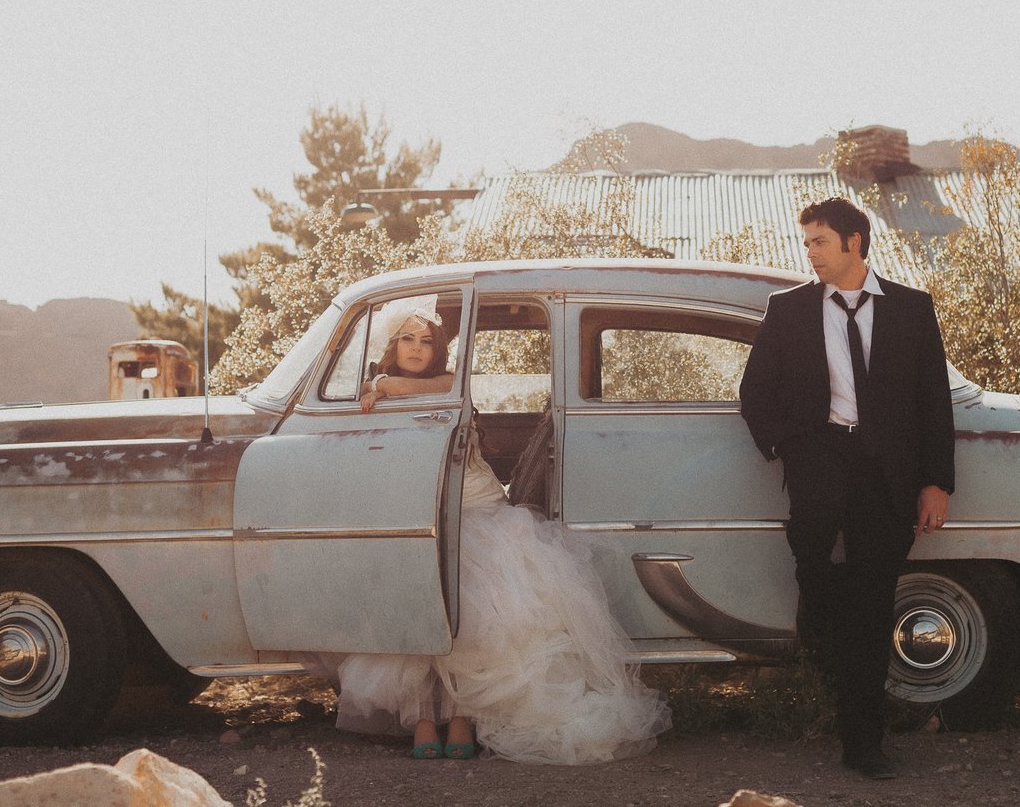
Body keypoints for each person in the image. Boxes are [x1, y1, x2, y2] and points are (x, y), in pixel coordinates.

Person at [314, 298, 670, 765]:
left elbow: (447, 386)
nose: (417, 349)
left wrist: (384, 383)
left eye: (426, 341)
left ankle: (464, 718)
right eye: (407, 339)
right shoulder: (371, 393)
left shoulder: (446, 384)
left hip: (477, 507)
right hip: (418, 511)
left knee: (482, 612)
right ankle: (424, 718)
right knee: (420, 606)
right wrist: (376, 388)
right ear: (392, 344)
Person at [738, 197, 955, 780]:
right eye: (805, 241)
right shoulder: (788, 310)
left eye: (819, 241)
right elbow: (754, 393)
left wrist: (936, 483)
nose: (808, 252)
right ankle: (835, 683)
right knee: (818, 592)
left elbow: (933, 403)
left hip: (886, 480)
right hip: (818, 470)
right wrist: (792, 449)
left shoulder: (911, 309)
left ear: (854, 242)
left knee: (872, 604)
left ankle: (863, 743)